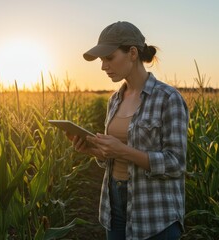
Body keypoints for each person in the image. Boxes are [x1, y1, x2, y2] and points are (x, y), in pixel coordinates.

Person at [69, 21, 189, 240]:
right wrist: (93, 151)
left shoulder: (168, 99)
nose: (103, 66)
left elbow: (176, 163)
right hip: (114, 206)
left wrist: (123, 151)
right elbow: (111, 158)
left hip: (153, 212)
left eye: (109, 58)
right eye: (101, 60)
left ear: (132, 53)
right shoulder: (114, 100)